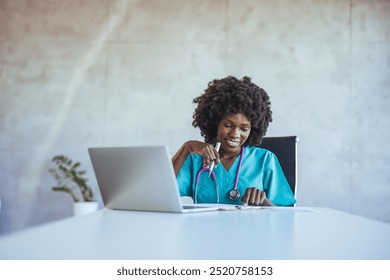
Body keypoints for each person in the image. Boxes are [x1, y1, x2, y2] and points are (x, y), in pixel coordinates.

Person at [172, 75, 296, 206]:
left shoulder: (265, 159)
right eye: (228, 126)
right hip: (204, 226)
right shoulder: (195, 159)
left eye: (244, 129)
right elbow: (160, 192)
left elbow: (286, 216)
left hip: (251, 227)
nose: (235, 134)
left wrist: (263, 202)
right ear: (215, 123)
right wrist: (186, 148)